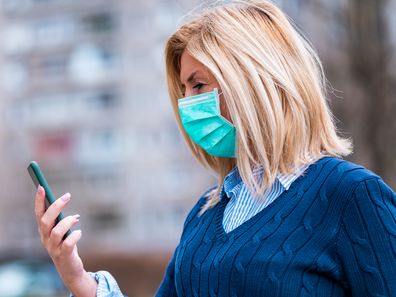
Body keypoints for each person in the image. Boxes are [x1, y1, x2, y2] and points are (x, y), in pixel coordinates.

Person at [34, 0, 396, 296]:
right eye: (184, 89)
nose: (186, 103)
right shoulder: (204, 215)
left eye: (198, 84)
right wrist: (78, 278)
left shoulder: (352, 196)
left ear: (254, 80)